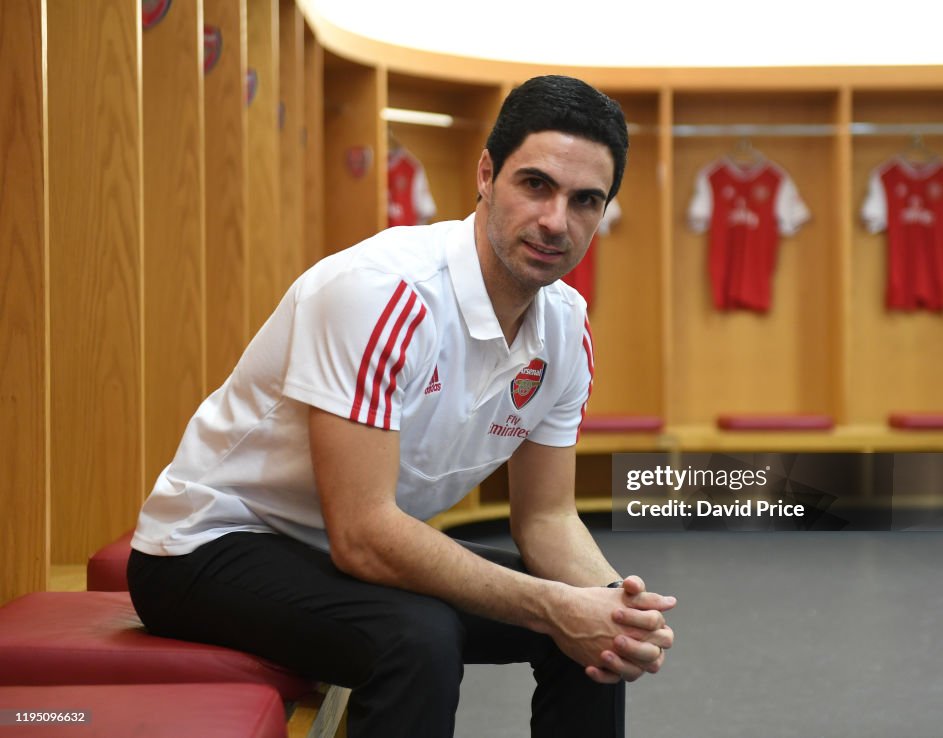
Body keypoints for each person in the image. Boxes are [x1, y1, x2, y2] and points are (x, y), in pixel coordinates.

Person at [127, 74, 676, 738]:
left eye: (585, 200)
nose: (557, 221)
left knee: (594, 635)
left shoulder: (566, 329)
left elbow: (549, 518)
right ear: (485, 174)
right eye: (535, 185)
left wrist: (616, 609)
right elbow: (364, 536)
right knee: (419, 638)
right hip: (208, 549)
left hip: (336, 552)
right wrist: (554, 605)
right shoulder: (383, 294)